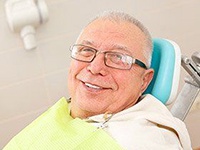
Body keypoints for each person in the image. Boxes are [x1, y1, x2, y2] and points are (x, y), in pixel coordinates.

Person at [4, 11, 191, 150]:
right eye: (86, 50)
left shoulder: (143, 142)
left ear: (144, 80)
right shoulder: (67, 110)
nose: (94, 67)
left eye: (118, 57)